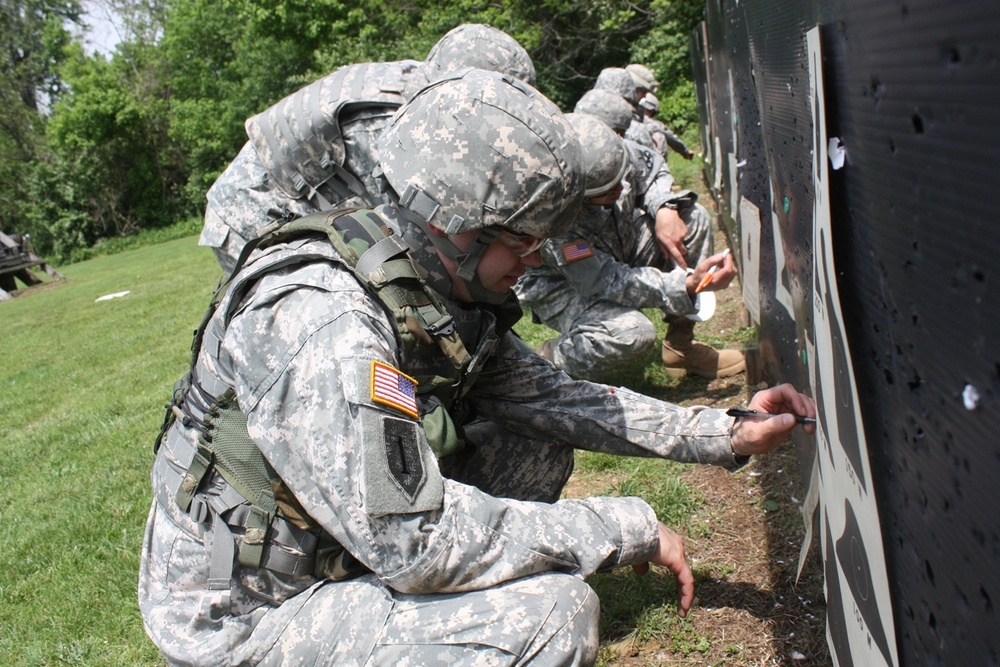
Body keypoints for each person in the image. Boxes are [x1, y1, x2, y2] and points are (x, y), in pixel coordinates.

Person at [139, 70, 816, 666]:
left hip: (328, 546)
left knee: (534, 445)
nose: (532, 261)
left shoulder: (420, 282)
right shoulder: (324, 320)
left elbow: (561, 401)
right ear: (455, 225)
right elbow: (415, 537)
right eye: (522, 240)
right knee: (552, 616)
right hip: (248, 615)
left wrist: (723, 431)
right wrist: (618, 526)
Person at [199, 24, 536, 274]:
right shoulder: (390, 125)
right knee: (323, 308)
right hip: (253, 210)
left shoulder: (424, 88)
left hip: (302, 195)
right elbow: (409, 235)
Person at [516, 113, 743, 380]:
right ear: (575, 194)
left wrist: (664, 207)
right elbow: (603, 280)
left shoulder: (608, 154)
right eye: (607, 190)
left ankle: (680, 348)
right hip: (565, 284)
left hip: (616, 246)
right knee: (631, 333)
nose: (622, 188)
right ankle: (548, 362)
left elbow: (653, 168)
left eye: (621, 178)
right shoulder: (555, 220)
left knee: (692, 219)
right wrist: (685, 285)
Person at [639, 92, 696, 160]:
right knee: (659, 136)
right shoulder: (653, 125)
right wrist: (685, 151)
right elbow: (671, 137)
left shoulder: (628, 118)